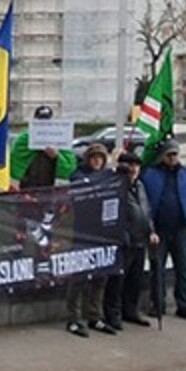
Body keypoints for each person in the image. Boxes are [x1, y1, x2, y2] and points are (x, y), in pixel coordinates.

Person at [141, 140, 186, 323]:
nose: (173, 158)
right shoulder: (150, 174)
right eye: (169, 154)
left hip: (182, 228)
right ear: (162, 156)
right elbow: (144, 201)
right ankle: (157, 303)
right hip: (158, 230)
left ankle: (184, 304)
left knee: (183, 268)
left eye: (175, 154)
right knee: (157, 268)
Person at [64, 143, 117, 337]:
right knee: (78, 279)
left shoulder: (107, 176)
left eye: (100, 158)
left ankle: (95, 316)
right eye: (94, 157)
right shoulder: (78, 175)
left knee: (100, 277)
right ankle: (73, 319)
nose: (97, 161)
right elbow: (83, 186)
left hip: (101, 233)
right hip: (81, 233)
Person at [115, 152, 158, 328]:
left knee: (136, 279)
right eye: (129, 165)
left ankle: (131, 311)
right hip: (125, 241)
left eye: (136, 166)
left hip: (140, 239)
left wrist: (152, 231)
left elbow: (146, 211)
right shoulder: (117, 186)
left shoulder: (140, 186)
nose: (133, 169)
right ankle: (115, 313)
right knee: (119, 281)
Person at [8, 105, 77, 190]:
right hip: (27, 188)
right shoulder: (23, 140)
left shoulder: (61, 139)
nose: (43, 125)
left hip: (50, 189)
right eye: (40, 121)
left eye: (47, 121)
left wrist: (57, 157)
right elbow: (15, 162)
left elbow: (69, 166)